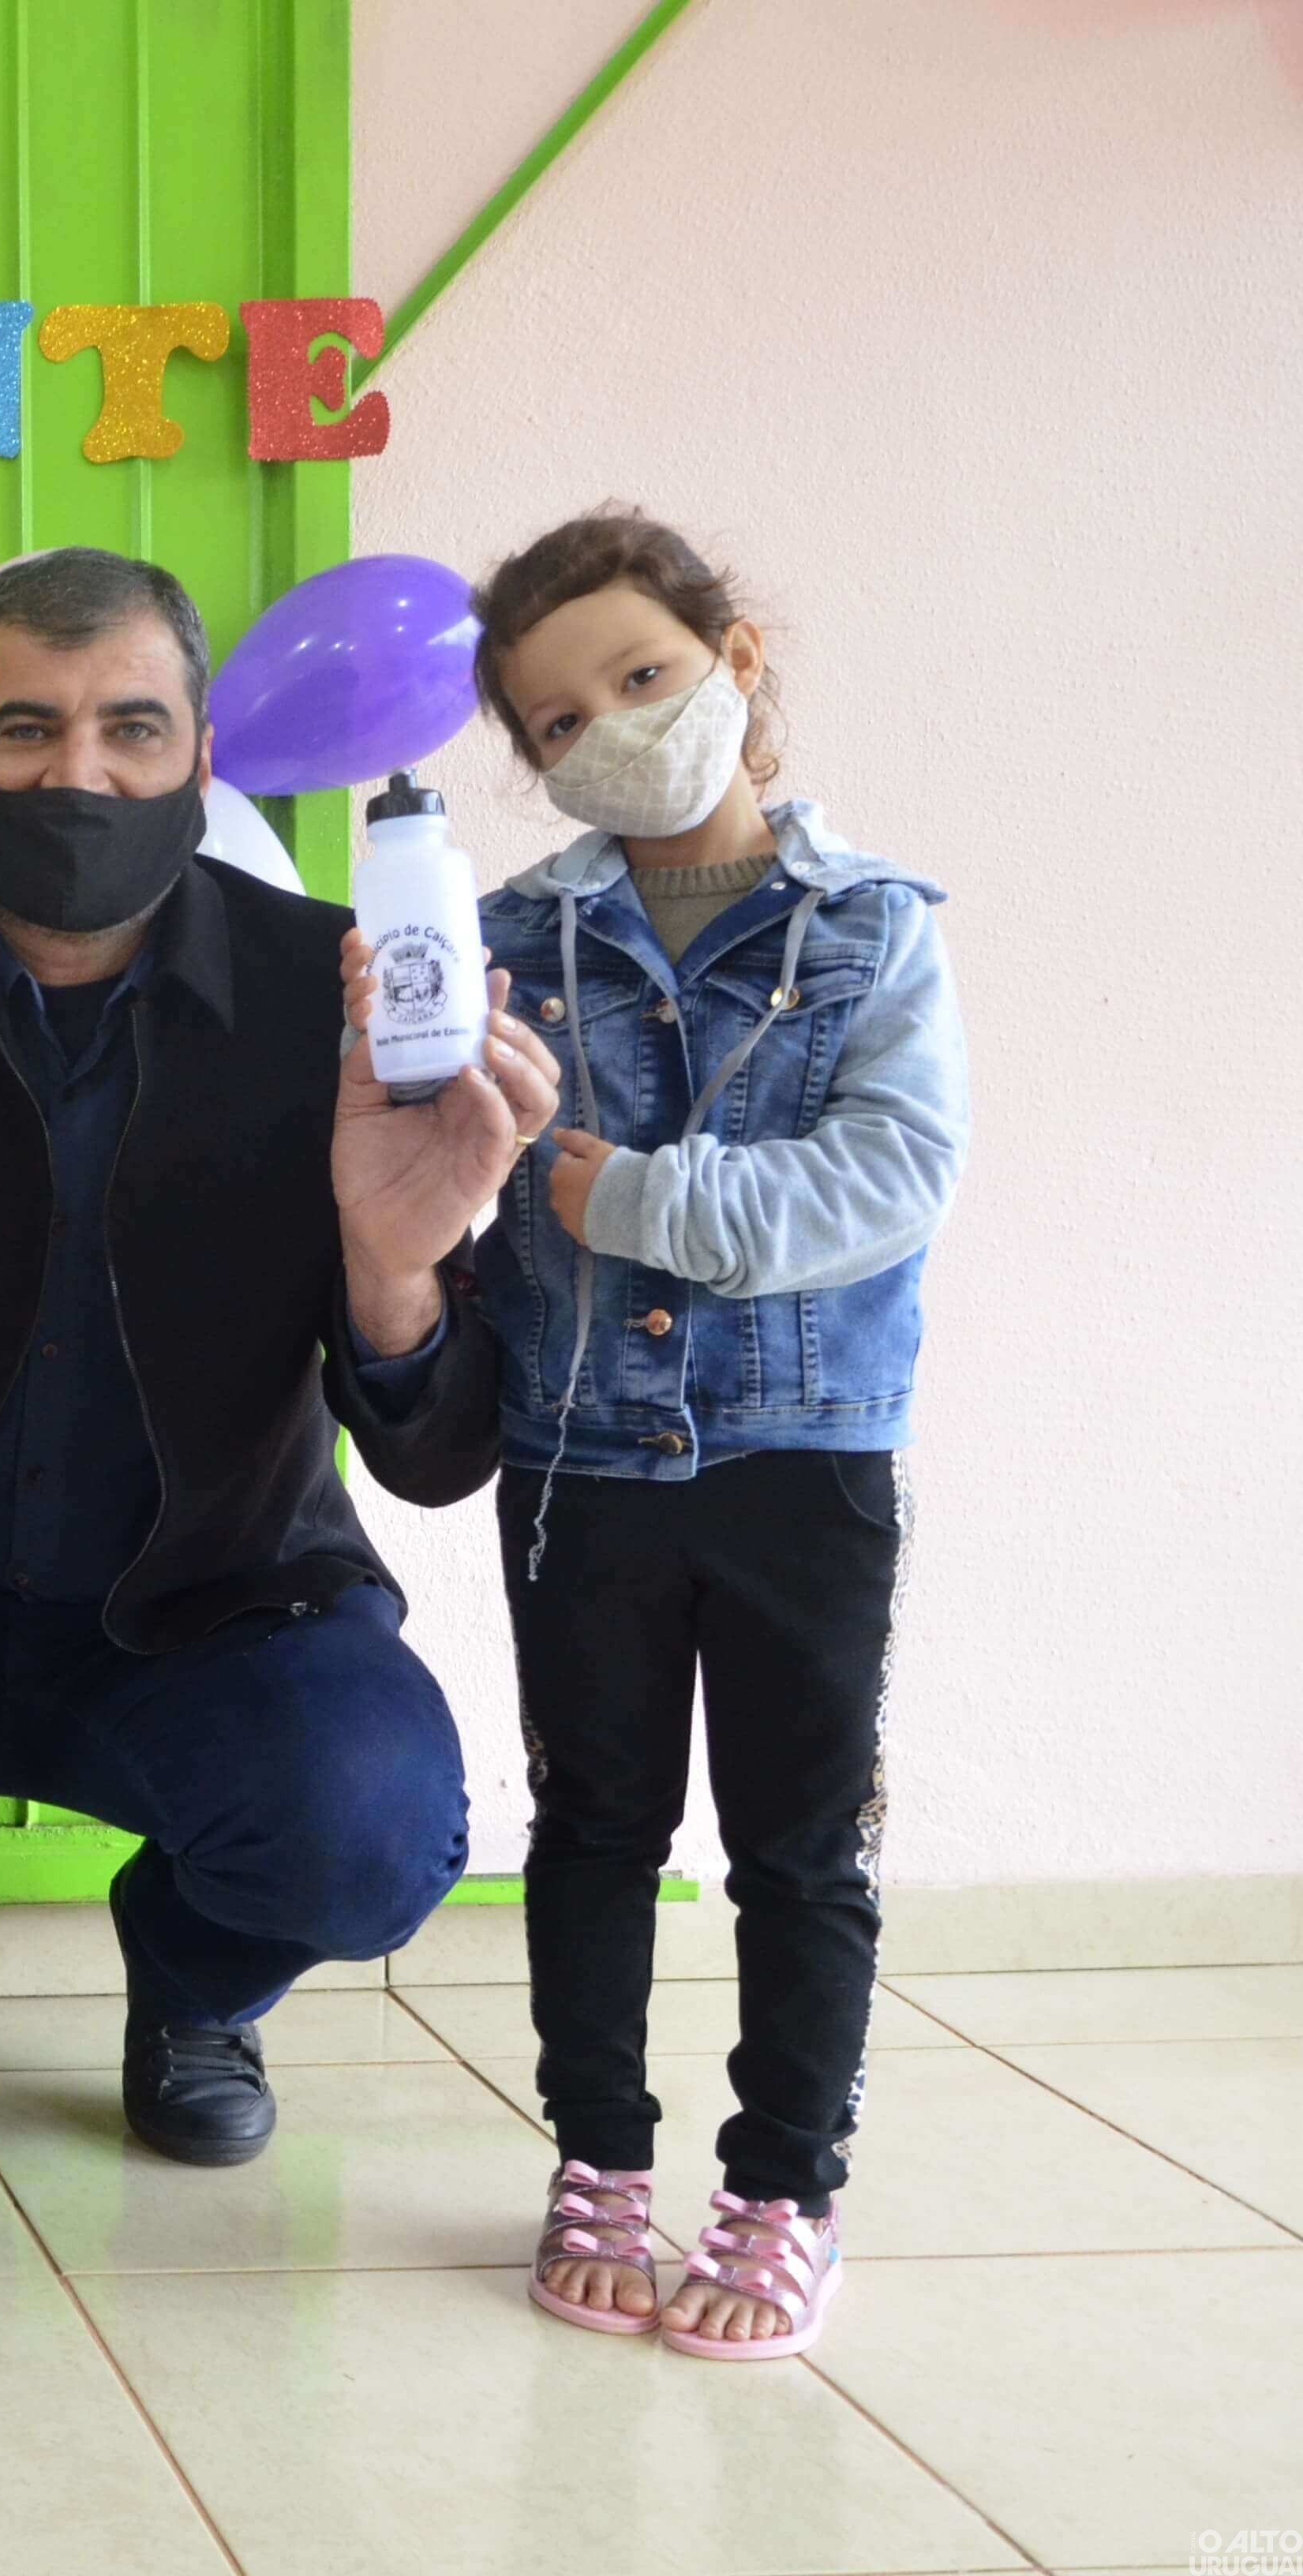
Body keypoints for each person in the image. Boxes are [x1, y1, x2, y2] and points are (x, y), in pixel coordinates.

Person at [0, 547, 563, 2215]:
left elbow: (437, 1462)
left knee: (375, 1825)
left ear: (200, 760)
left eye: (132, 732)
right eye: (24, 730)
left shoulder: (338, 990)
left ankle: (196, 1988)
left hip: (207, 1621)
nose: (78, 775)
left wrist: (395, 1260)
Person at [471, 507, 966, 2360]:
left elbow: (895, 1174)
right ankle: (597, 2157)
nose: (602, 728)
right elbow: (445, 1182)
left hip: (802, 1456)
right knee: (591, 1823)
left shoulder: (872, 931)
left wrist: (645, 1206)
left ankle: (781, 2190)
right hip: (577, 1454)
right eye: (551, 723)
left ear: (733, 660)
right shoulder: (508, 937)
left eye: (640, 676)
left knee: (798, 1843)